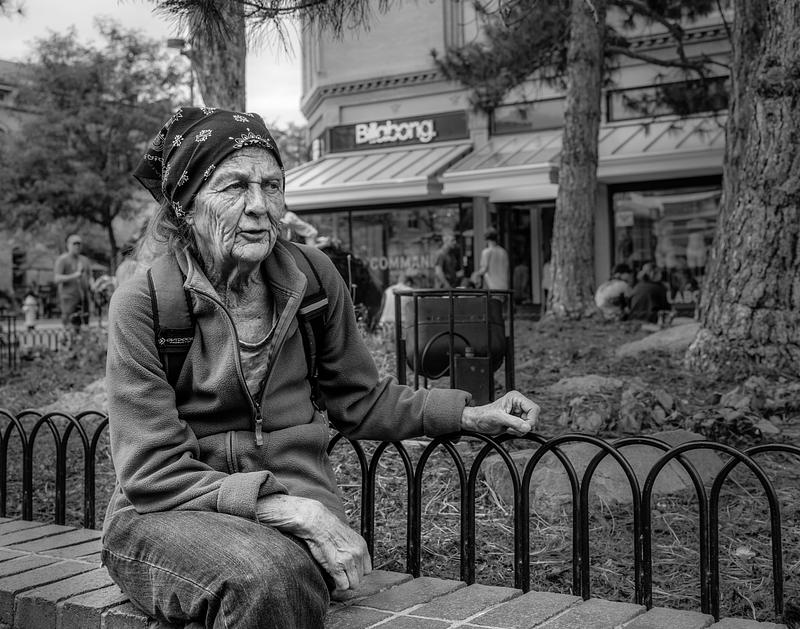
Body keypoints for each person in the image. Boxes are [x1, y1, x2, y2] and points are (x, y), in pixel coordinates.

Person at [102, 106, 541, 629]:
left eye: (272, 185)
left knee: (281, 575)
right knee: (265, 578)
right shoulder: (145, 305)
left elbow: (358, 398)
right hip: (170, 515)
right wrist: (293, 511)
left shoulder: (311, 278)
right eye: (235, 186)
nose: (260, 206)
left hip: (289, 508)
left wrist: (467, 414)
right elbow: (152, 472)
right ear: (186, 206)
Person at [53, 233, 91, 333]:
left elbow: (90, 277)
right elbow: (57, 278)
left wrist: (93, 285)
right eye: (74, 244)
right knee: (69, 327)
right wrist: (74, 275)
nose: (77, 246)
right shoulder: (62, 260)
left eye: (79, 244)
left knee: (84, 327)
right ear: (68, 245)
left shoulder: (85, 260)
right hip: (69, 298)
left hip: (83, 298)